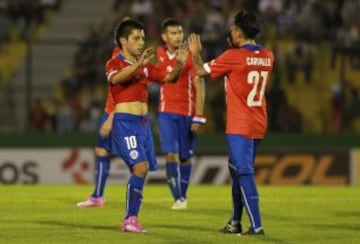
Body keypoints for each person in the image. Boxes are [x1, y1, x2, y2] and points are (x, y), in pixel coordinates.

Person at [188, 10, 274, 235]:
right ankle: (235, 221)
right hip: (258, 121)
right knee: (236, 169)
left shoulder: (233, 56)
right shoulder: (268, 55)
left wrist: (196, 53)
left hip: (240, 123)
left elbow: (199, 71)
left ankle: (257, 226)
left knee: (243, 172)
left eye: (233, 28)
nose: (231, 31)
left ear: (238, 31)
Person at [106, 19, 187, 232]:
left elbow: (169, 78)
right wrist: (138, 65)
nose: (141, 42)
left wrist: (179, 63)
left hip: (143, 125)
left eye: (142, 37)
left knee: (143, 170)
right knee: (139, 167)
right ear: (123, 41)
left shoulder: (145, 67)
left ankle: (132, 219)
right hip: (125, 124)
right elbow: (116, 80)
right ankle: (129, 219)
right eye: (136, 38)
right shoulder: (115, 63)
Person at [156, 18, 206, 210]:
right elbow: (162, 77)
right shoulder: (159, 54)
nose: (177, 36)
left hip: (187, 113)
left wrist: (199, 116)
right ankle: (177, 198)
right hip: (166, 112)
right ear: (164, 36)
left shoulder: (191, 57)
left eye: (179, 33)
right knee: (170, 154)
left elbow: (199, 85)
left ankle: (182, 196)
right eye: (173, 33)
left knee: (185, 157)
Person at [76, 45, 121, 208]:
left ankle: (132, 203)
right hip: (113, 111)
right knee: (102, 151)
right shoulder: (118, 54)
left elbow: (124, 94)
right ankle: (97, 195)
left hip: (119, 114)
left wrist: (110, 119)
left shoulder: (124, 59)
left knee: (134, 160)